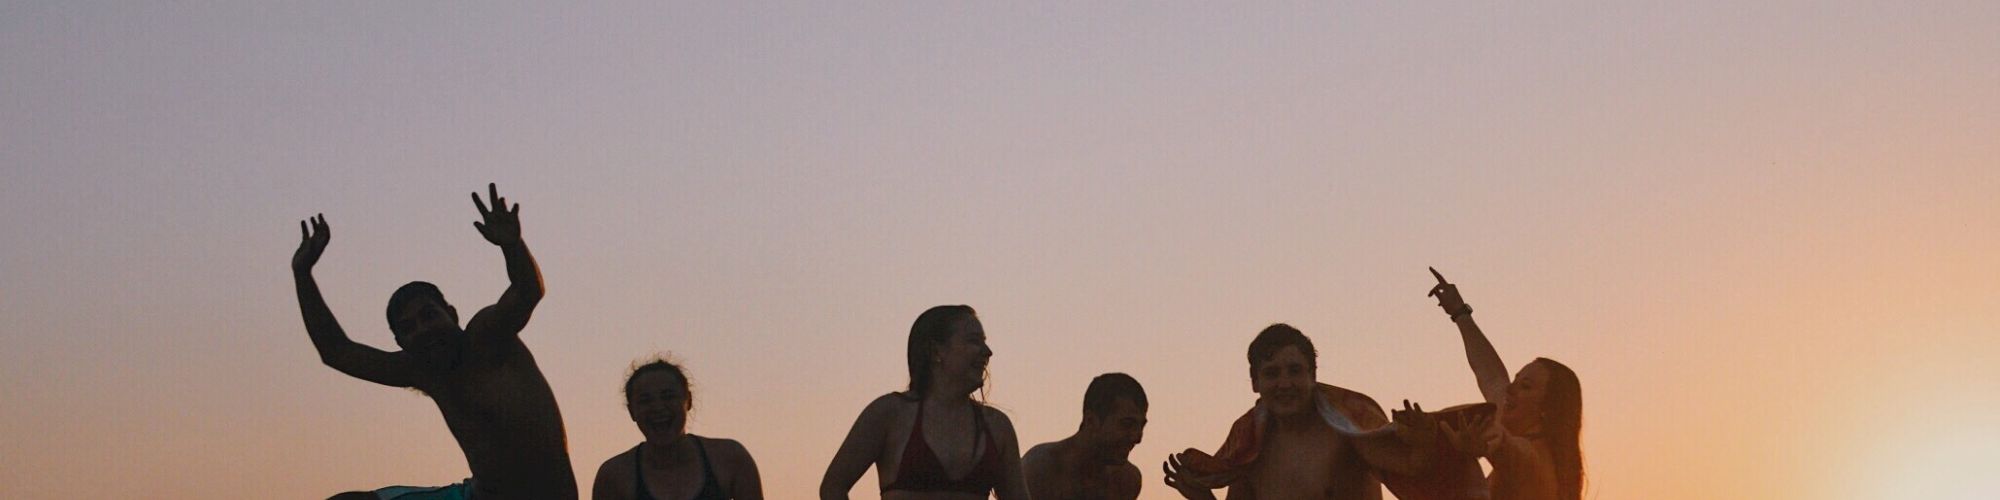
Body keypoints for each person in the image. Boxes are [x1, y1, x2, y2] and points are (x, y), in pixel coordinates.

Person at [298, 184, 575, 500]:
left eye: (429, 316)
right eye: (409, 327)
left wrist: (512, 246)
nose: (423, 330)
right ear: (402, 342)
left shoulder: (487, 338)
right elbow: (336, 352)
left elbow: (527, 292)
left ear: (453, 314)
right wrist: (303, 274)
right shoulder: (422, 370)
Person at [1161, 324, 1465, 500]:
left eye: (1295, 371)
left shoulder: (1348, 427)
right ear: (1255, 382)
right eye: (1272, 373)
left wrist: (1425, 443)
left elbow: (1415, 470)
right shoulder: (1249, 446)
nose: (1285, 383)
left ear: (1313, 375)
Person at [820, 305, 1030, 500]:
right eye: (974, 340)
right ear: (936, 351)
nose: (987, 351)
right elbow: (833, 487)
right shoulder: (890, 414)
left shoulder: (997, 426)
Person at [1427, 268, 1585, 500]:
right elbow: (1491, 376)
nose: (1511, 389)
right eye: (1516, 380)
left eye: (1526, 386)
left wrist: (1492, 443)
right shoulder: (1519, 424)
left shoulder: (1536, 461)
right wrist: (1460, 313)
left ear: (1547, 408)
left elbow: (1512, 451)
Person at [591, 358, 763, 500]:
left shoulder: (730, 458)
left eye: (668, 396)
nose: (658, 407)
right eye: (645, 400)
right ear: (632, 411)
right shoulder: (614, 476)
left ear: (688, 401)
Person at [1022, 373, 1149, 500]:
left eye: (1141, 426)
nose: (1137, 438)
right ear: (1091, 421)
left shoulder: (1127, 481)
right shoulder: (1039, 469)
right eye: (1127, 424)